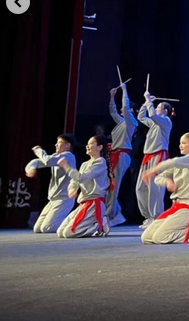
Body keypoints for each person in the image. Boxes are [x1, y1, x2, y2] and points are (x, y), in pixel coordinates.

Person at [140, 131, 189, 244]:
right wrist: (167, 181)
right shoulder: (179, 164)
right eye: (180, 143)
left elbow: (174, 161)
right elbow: (159, 178)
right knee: (146, 238)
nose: (180, 145)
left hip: (188, 208)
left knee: (159, 238)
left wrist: (154, 169)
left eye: (184, 143)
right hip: (176, 206)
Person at [55, 135, 111, 238]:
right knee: (60, 232)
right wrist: (72, 188)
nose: (87, 146)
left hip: (94, 204)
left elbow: (82, 177)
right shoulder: (85, 164)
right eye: (87, 144)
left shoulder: (100, 162)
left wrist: (66, 166)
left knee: (69, 233)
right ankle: (97, 224)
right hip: (84, 203)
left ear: (99, 147)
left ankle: (99, 224)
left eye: (91, 144)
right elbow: (75, 180)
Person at [25, 135, 77, 233]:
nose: (56, 144)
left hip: (64, 199)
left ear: (67, 145)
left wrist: (39, 150)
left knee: (47, 228)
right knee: (37, 229)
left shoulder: (68, 156)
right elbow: (37, 162)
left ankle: (76, 224)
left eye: (59, 142)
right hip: (53, 200)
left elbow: (47, 160)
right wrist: (31, 168)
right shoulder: (56, 157)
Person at [136, 93, 173, 227]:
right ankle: (148, 216)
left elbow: (152, 115)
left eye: (158, 107)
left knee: (155, 188)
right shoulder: (154, 123)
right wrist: (145, 104)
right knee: (140, 187)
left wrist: (148, 101)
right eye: (156, 107)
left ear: (165, 111)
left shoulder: (166, 121)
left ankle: (156, 217)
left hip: (159, 155)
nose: (156, 109)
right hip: (148, 156)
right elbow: (141, 117)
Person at [106, 82, 137, 226]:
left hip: (122, 154)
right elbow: (113, 112)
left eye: (124, 110)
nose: (121, 110)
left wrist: (124, 90)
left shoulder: (131, 123)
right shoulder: (121, 122)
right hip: (115, 154)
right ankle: (115, 212)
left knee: (114, 185)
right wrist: (112, 96)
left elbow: (125, 107)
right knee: (111, 184)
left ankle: (110, 214)